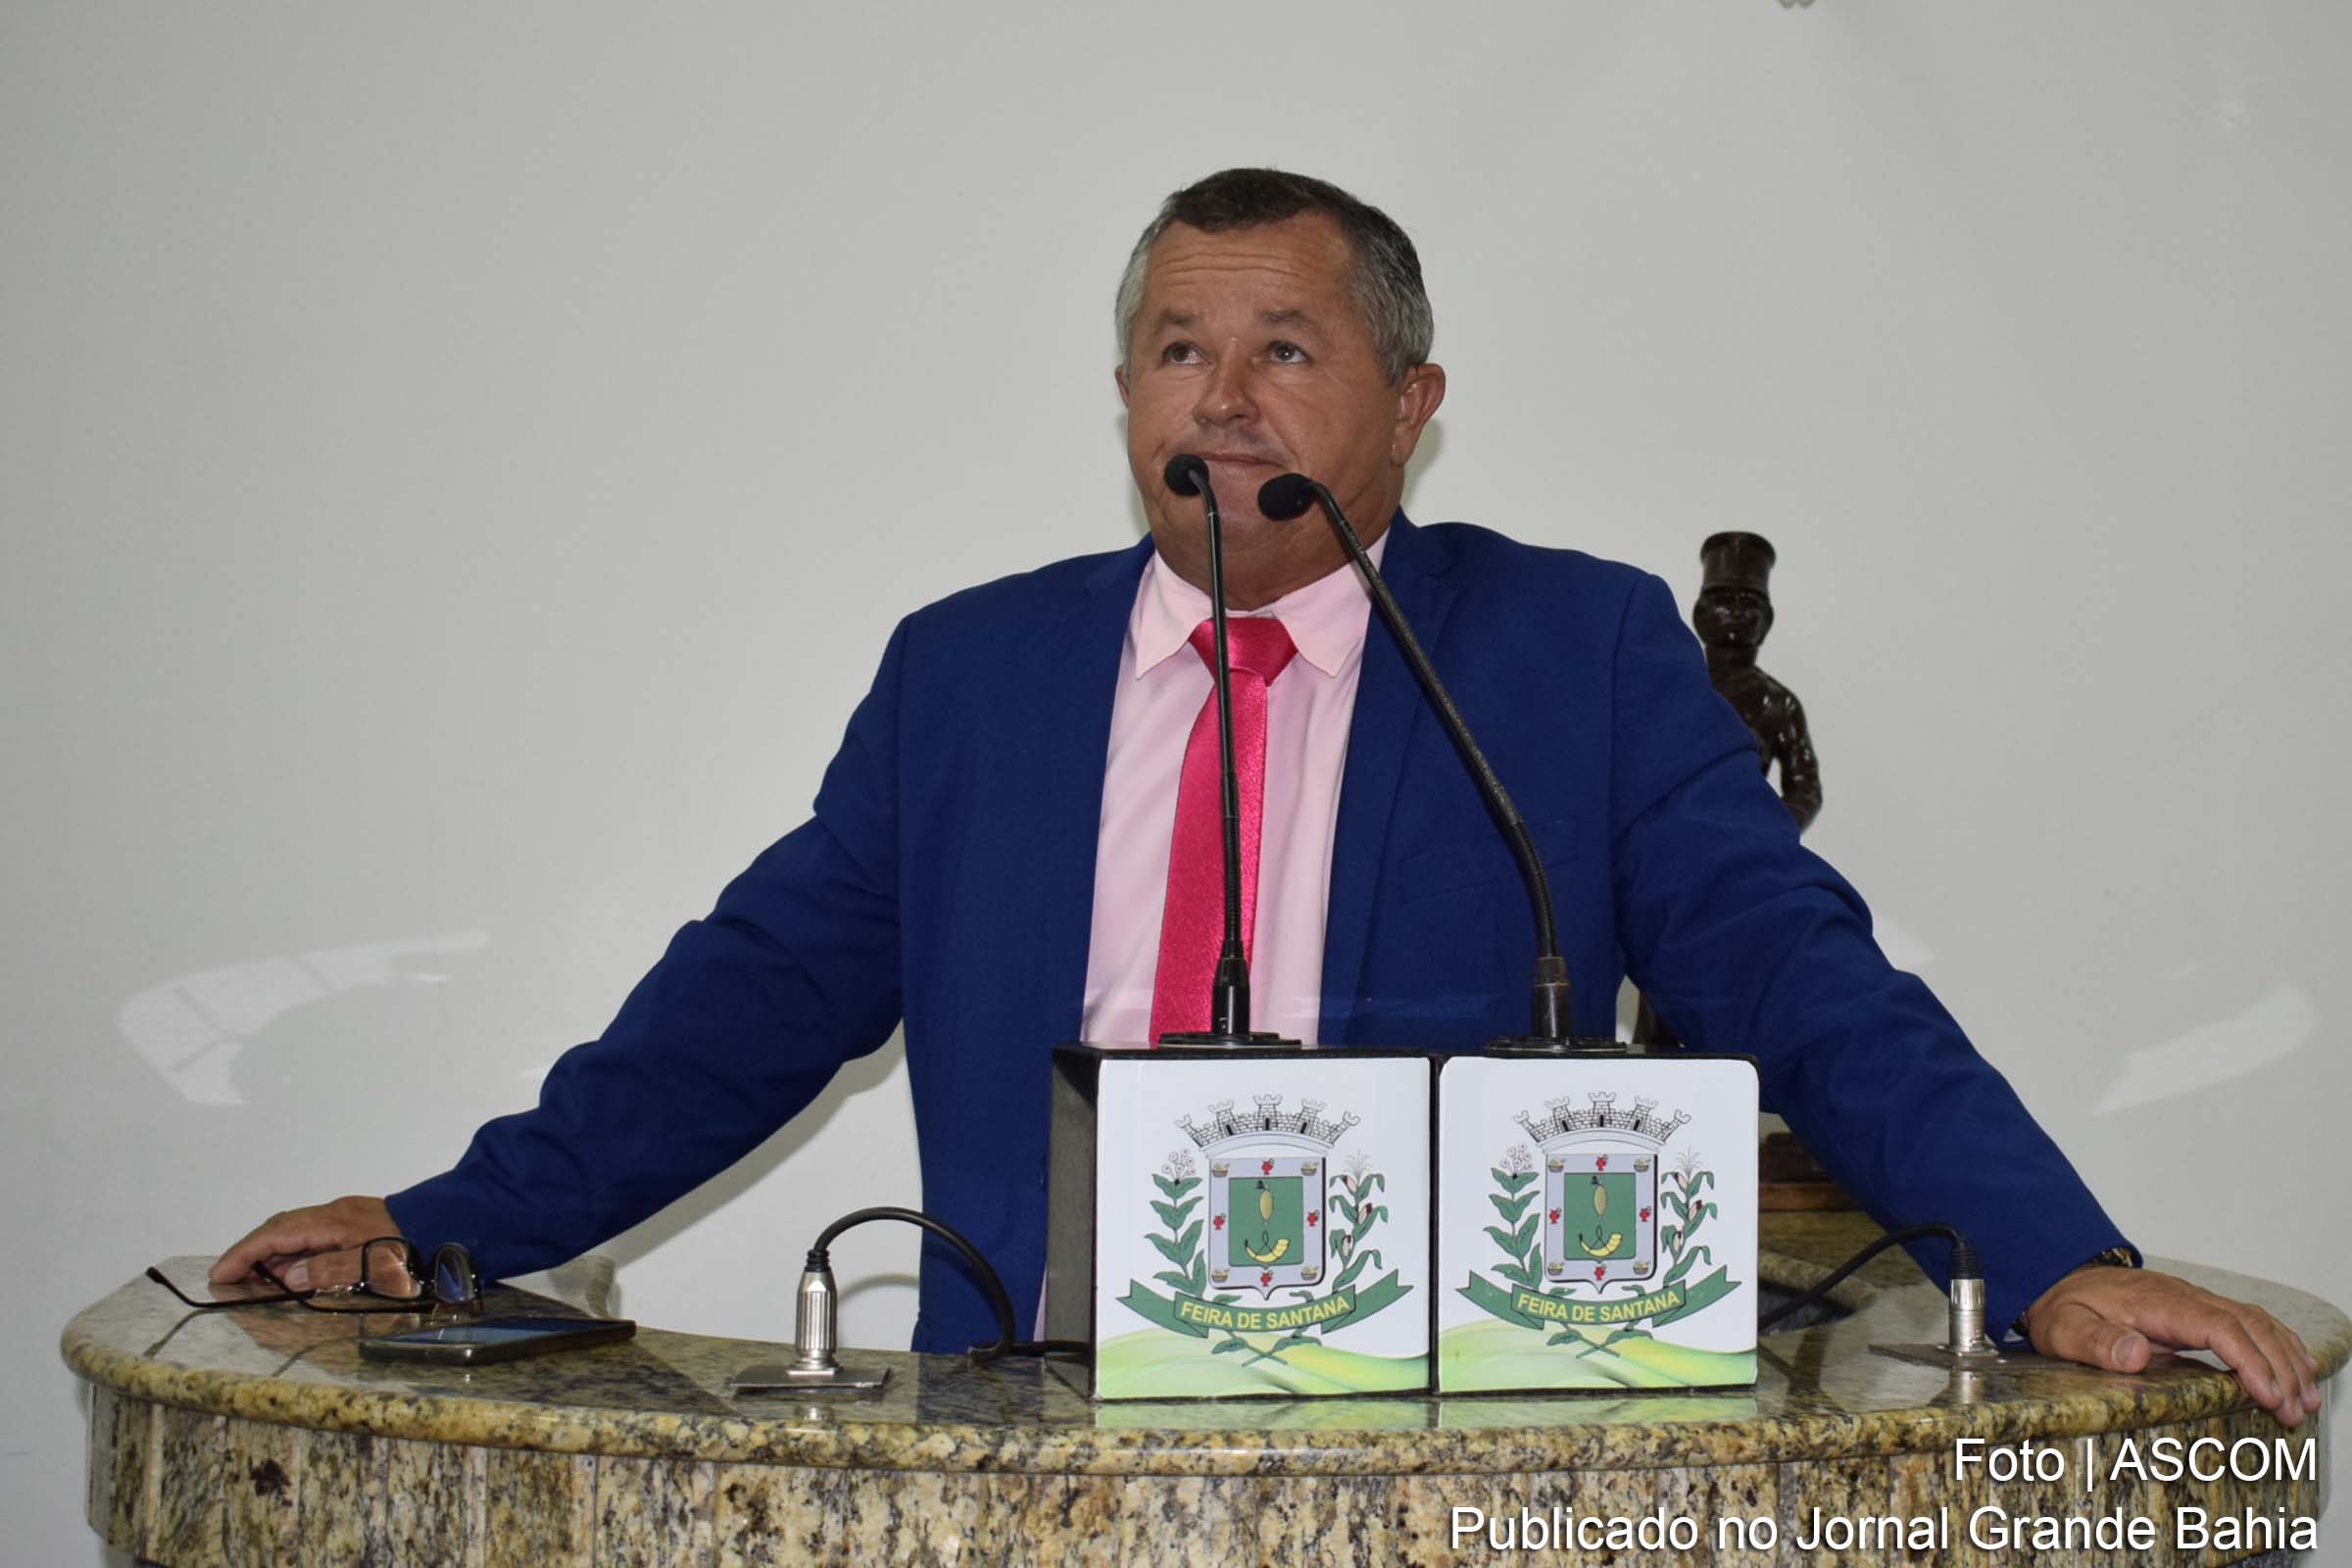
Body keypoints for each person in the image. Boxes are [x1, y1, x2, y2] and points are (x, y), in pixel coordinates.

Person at [213, 169, 2319, 1426]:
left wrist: (2052, 1254)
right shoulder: (973, 674)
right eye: (1172, 349)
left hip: (1444, 1446)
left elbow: (1805, 975)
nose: (1218, 397)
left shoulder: (1564, 657)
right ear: (1123, 396)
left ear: (1408, 403)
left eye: (1283, 350)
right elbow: (747, 997)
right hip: (1016, 1445)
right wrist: (442, 1224)